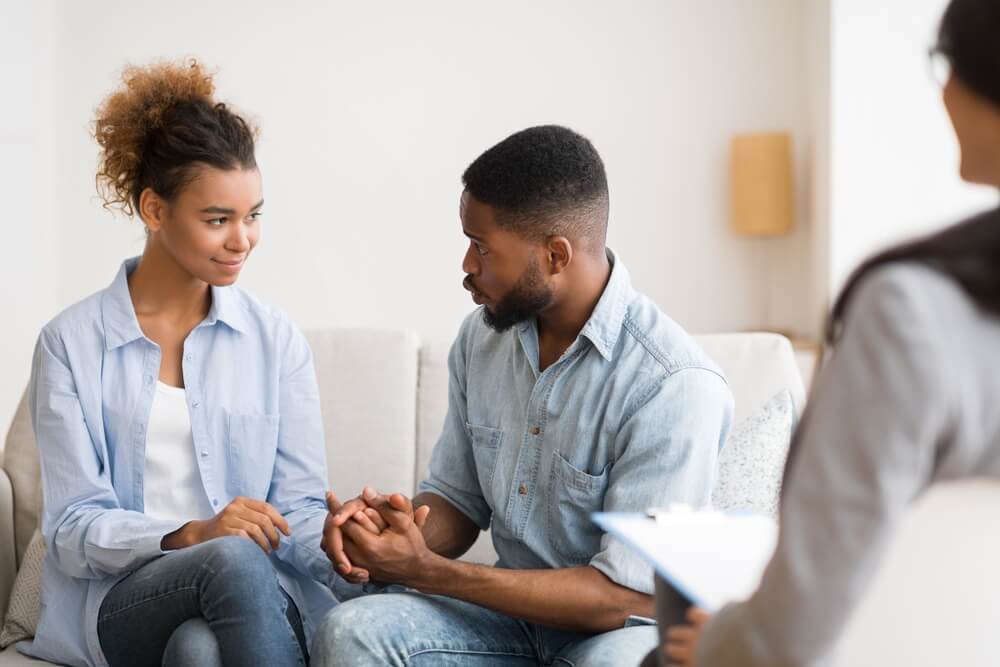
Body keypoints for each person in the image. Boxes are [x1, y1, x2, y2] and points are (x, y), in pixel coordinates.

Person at [311, 125, 734, 666]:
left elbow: (621, 596)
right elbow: (459, 502)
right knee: (353, 630)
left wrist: (429, 573)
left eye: (482, 247)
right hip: (508, 624)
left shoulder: (674, 384)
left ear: (555, 255)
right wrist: (393, 536)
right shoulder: (482, 338)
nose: (467, 265)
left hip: (618, 632)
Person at [662, 1, 1000, 664]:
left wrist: (715, 644)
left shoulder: (911, 315)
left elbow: (789, 635)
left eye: (945, 63)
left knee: (672, 627)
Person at [23, 59, 358, 667]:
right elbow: (71, 527)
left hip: (246, 599)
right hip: (122, 598)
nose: (243, 240)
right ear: (155, 210)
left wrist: (348, 544)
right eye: (217, 219)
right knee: (230, 556)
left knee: (198, 651)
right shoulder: (69, 343)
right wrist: (192, 535)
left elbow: (299, 511)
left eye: (253, 215)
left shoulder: (275, 341)